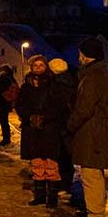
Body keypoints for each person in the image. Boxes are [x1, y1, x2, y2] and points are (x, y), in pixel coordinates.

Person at [66, 37, 108, 217]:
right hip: (94, 131)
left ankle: (95, 216)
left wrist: (70, 125)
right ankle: (94, 211)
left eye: (80, 54)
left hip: (92, 132)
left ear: (87, 55)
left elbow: (84, 108)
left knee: (91, 174)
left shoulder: (93, 76)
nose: (78, 58)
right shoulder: (97, 73)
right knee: (92, 173)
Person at [15, 55, 62, 207]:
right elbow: (19, 104)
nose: (38, 68)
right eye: (35, 66)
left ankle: (52, 197)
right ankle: (40, 195)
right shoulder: (26, 86)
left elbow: (58, 106)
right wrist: (29, 117)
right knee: (36, 163)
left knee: (50, 163)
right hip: (32, 130)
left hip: (49, 129)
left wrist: (44, 117)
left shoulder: (53, 85)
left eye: (41, 65)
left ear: (46, 67)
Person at [48, 58, 77, 198]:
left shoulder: (55, 84)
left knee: (62, 156)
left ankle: (63, 185)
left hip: (60, 124)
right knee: (65, 156)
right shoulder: (72, 81)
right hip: (66, 124)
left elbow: (56, 105)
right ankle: (65, 185)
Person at [0, 64, 17, 146]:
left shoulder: (4, 78)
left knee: (3, 120)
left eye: (1, 70)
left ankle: (6, 139)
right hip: (8, 102)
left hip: (3, 101)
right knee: (4, 120)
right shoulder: (12, 78)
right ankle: (7, 137)